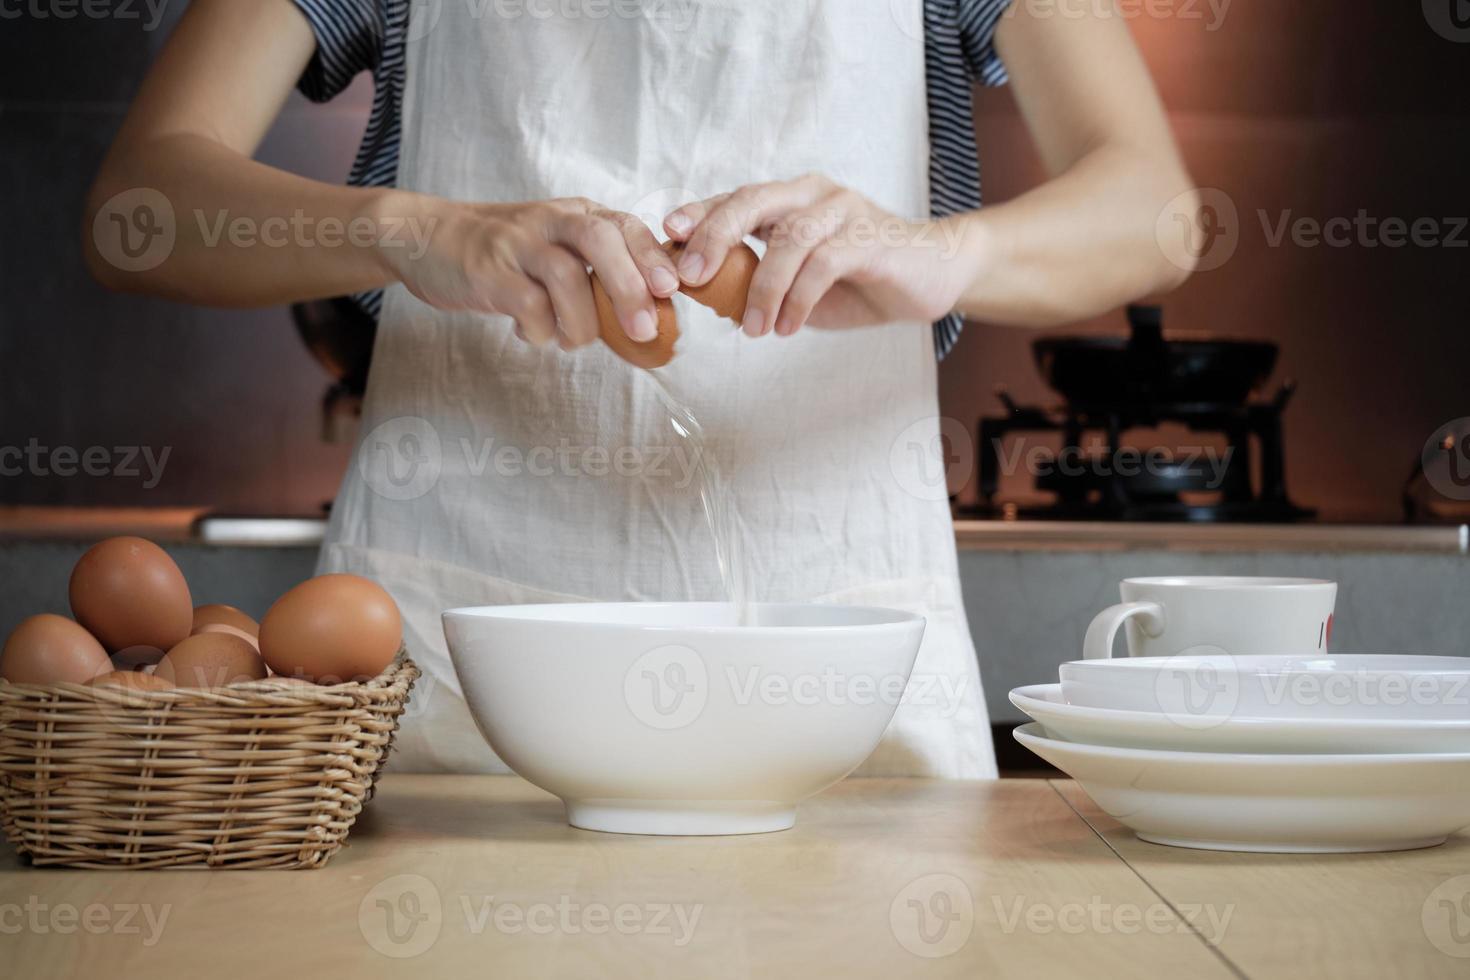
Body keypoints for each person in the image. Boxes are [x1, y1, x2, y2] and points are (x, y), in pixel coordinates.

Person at [86, 0, 1198, 777]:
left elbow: (1155, 209)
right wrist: (415, 227)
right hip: (461, 690)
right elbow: (134, 209)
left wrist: (943, 253)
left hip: (841, 686)